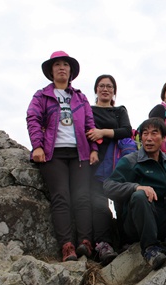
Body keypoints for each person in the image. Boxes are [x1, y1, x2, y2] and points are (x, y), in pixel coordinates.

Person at [27, 50, 98, 262]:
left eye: (65, 65)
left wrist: (94, 148)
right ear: (51, 71)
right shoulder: (42, 95)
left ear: (71, 71)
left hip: (80, 154)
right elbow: (33, 119)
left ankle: (85, 243)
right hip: (53, 153)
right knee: (61, 198)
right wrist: (37, 146)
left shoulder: (80, 97)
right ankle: (67, 246)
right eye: (57, 65)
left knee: (83, 197)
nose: (61, 68)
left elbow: (90, 124)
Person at [103, 118, 166, 270]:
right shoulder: (130, 161)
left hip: (164, 219)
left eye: (154, 133)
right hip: (137, 222)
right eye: (145, 134)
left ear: (163, 138)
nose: (149, 138)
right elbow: (108, 186)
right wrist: (135, 187)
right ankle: (149, 249)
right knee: (140, 196)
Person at [86, 74, 133, 264]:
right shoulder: (88, 110)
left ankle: (125, 242)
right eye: (101, 86)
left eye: (109, 87)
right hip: (94, 160)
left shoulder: (119, 111)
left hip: (117, 162)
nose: (105, 89)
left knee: (122, 203)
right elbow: (83, 132)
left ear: (114, 91)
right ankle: (103, 244)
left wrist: (102, 132)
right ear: (96, 89)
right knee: (99, 205)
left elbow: (126, 130)